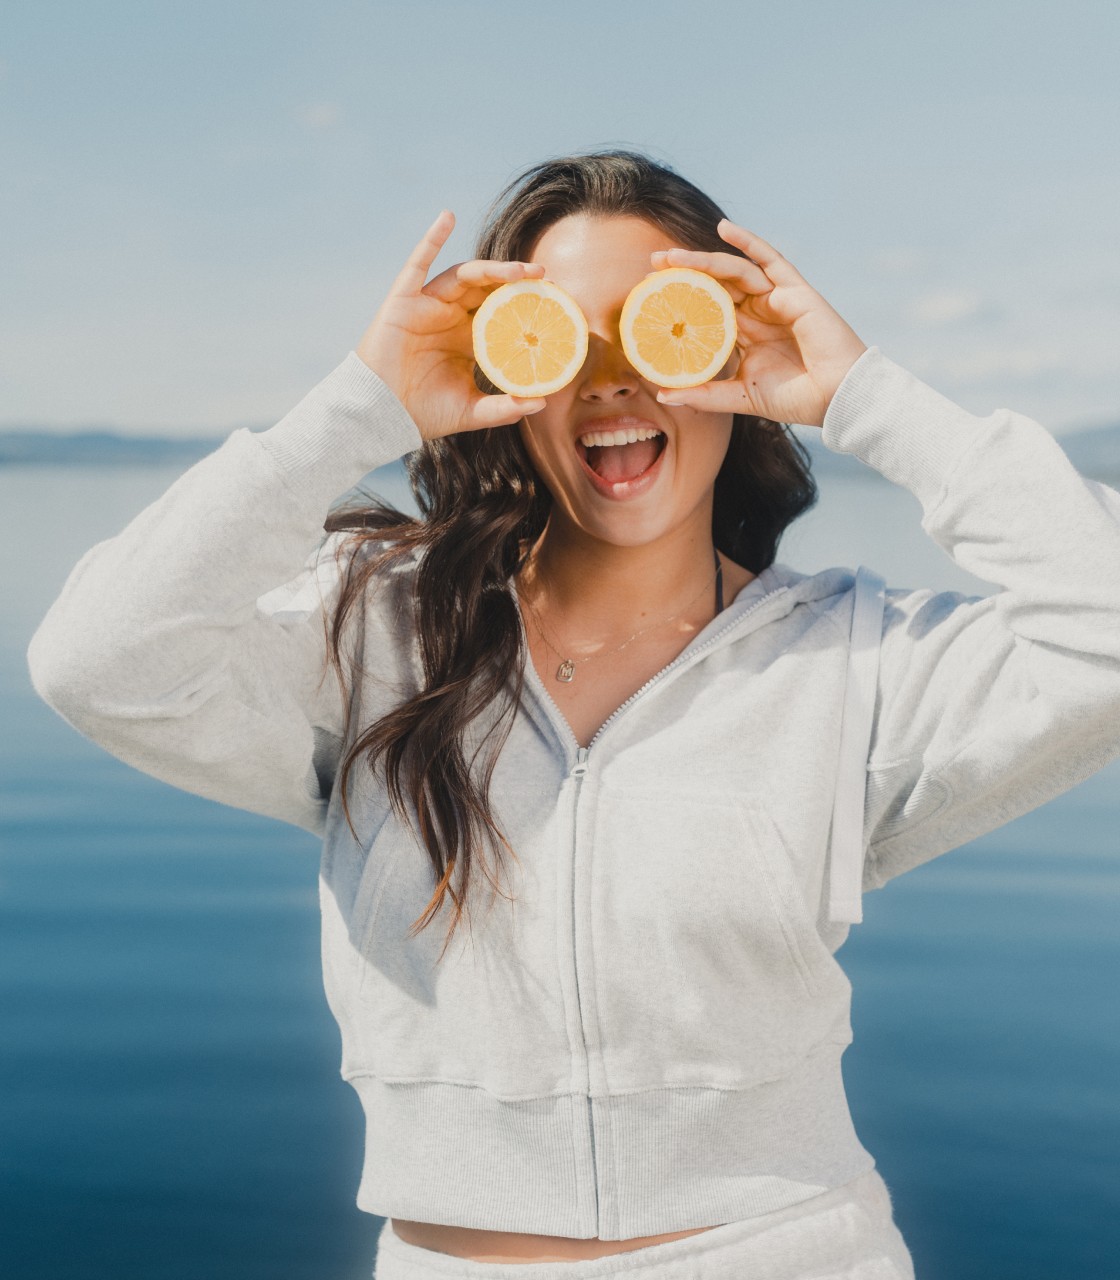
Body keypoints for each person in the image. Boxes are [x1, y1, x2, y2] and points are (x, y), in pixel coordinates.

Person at [26, 151, 1120, 1280]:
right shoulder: (372, 645)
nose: (611, 382)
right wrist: (357, 405)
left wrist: (863, 396)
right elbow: (96, 659)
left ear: (728, 352)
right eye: (565, 340)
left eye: (658, 329)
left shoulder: (848, 661)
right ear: (508, 371)